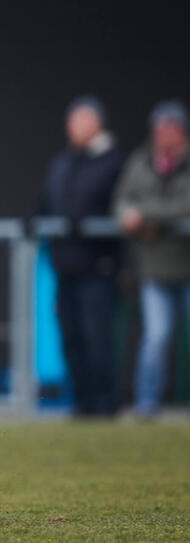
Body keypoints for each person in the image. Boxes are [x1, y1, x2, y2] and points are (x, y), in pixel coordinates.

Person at [36, 96, 125, 416]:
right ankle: (83, 403)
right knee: (71, 335)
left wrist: (86, 218)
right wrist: (33, 216)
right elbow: (48, 200)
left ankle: (105, 404)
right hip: (66, 264)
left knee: (96, 336)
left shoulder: (113, 161)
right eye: (73, 122)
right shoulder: (63, 162)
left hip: (98, 264)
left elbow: (113, 203)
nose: (76, 128)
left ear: (97, 124)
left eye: (83, 121)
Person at [114, 100, 190, 418]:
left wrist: (144, 216)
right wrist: (131, 216)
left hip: (186, 265)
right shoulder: (141, 161)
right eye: (161, 129)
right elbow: (121, 203)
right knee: (156, 338)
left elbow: (183, 205)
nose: (165, 135)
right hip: (155, 268)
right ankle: (147, 404)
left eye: (172, 129)